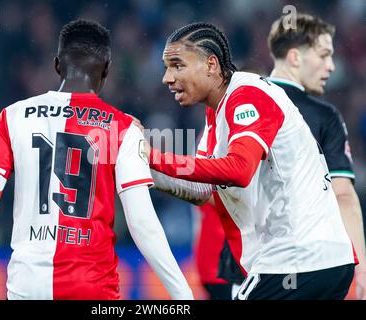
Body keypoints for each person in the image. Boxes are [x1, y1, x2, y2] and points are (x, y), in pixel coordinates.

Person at [0, 19, 193, 300]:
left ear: (57, 65)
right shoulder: (121, 128)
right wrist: (185, 296)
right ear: (106, 70)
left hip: (27, 287)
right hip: (92, 288)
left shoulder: (13, 117)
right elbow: (142, 223)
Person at [144, 21, 356, 299]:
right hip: (316, 260)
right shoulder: (216, 113)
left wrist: (155, 157)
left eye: (177, 65)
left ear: (211, 65)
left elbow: (239, 170)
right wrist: (141, 166)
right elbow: (203, 190)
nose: (167, 78)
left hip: (296, 259)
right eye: (166, 67)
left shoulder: (247, 96)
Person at [267, 13, 366, 299]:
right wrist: (361, 270)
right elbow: (343, 195)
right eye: (324, 55)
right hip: (308, 265)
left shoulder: (237, 98)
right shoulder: (324, 116)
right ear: (296, 57)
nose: (331, 66)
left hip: (241, 264)